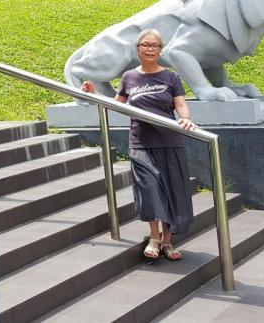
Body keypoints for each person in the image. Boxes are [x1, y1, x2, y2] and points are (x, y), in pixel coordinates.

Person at [80, 28, 195, 261]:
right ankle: (154, 237)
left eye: (154, 45)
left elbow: (180, 104)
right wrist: (93, 94)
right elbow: (117, 105)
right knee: (149, 189)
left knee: (171, 191)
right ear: (138, 49)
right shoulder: (129, 77)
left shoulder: (171, 77)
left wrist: (186, 118)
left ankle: (167, 241)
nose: (150, 48)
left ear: (160, 50)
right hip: (141, 143)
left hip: (169, 142)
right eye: (145, 44)